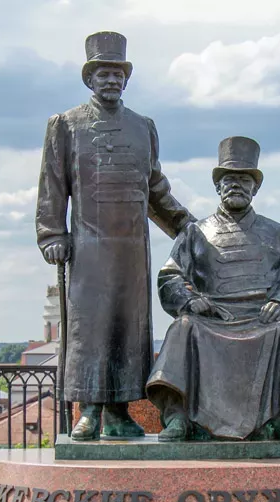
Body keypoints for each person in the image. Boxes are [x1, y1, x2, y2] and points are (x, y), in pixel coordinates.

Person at [37, 31, 195, 441]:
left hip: (132, 249)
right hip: (87, 247)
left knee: (129, 329)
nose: (112, 80)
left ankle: (120, 412)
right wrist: (52, 234)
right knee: (89, 328)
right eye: (104, 73)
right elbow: (52, 186)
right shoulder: (66, 125)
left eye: (118, 74)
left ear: (126, 79)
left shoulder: (143, 127)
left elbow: (155, 189)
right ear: (90, 78)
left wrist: (189, 226)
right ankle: (89, 412)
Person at [146, 136, 280, 442]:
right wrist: (189, 300)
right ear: (218, 187)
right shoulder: (195, 232)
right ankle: (178, 416)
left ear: (255, 188)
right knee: (183, 328)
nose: (236, 186)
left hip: (262, 319)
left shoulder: (278, 232)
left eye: (244, 180)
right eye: (229, 180)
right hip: (213, 318)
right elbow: (170, 276)